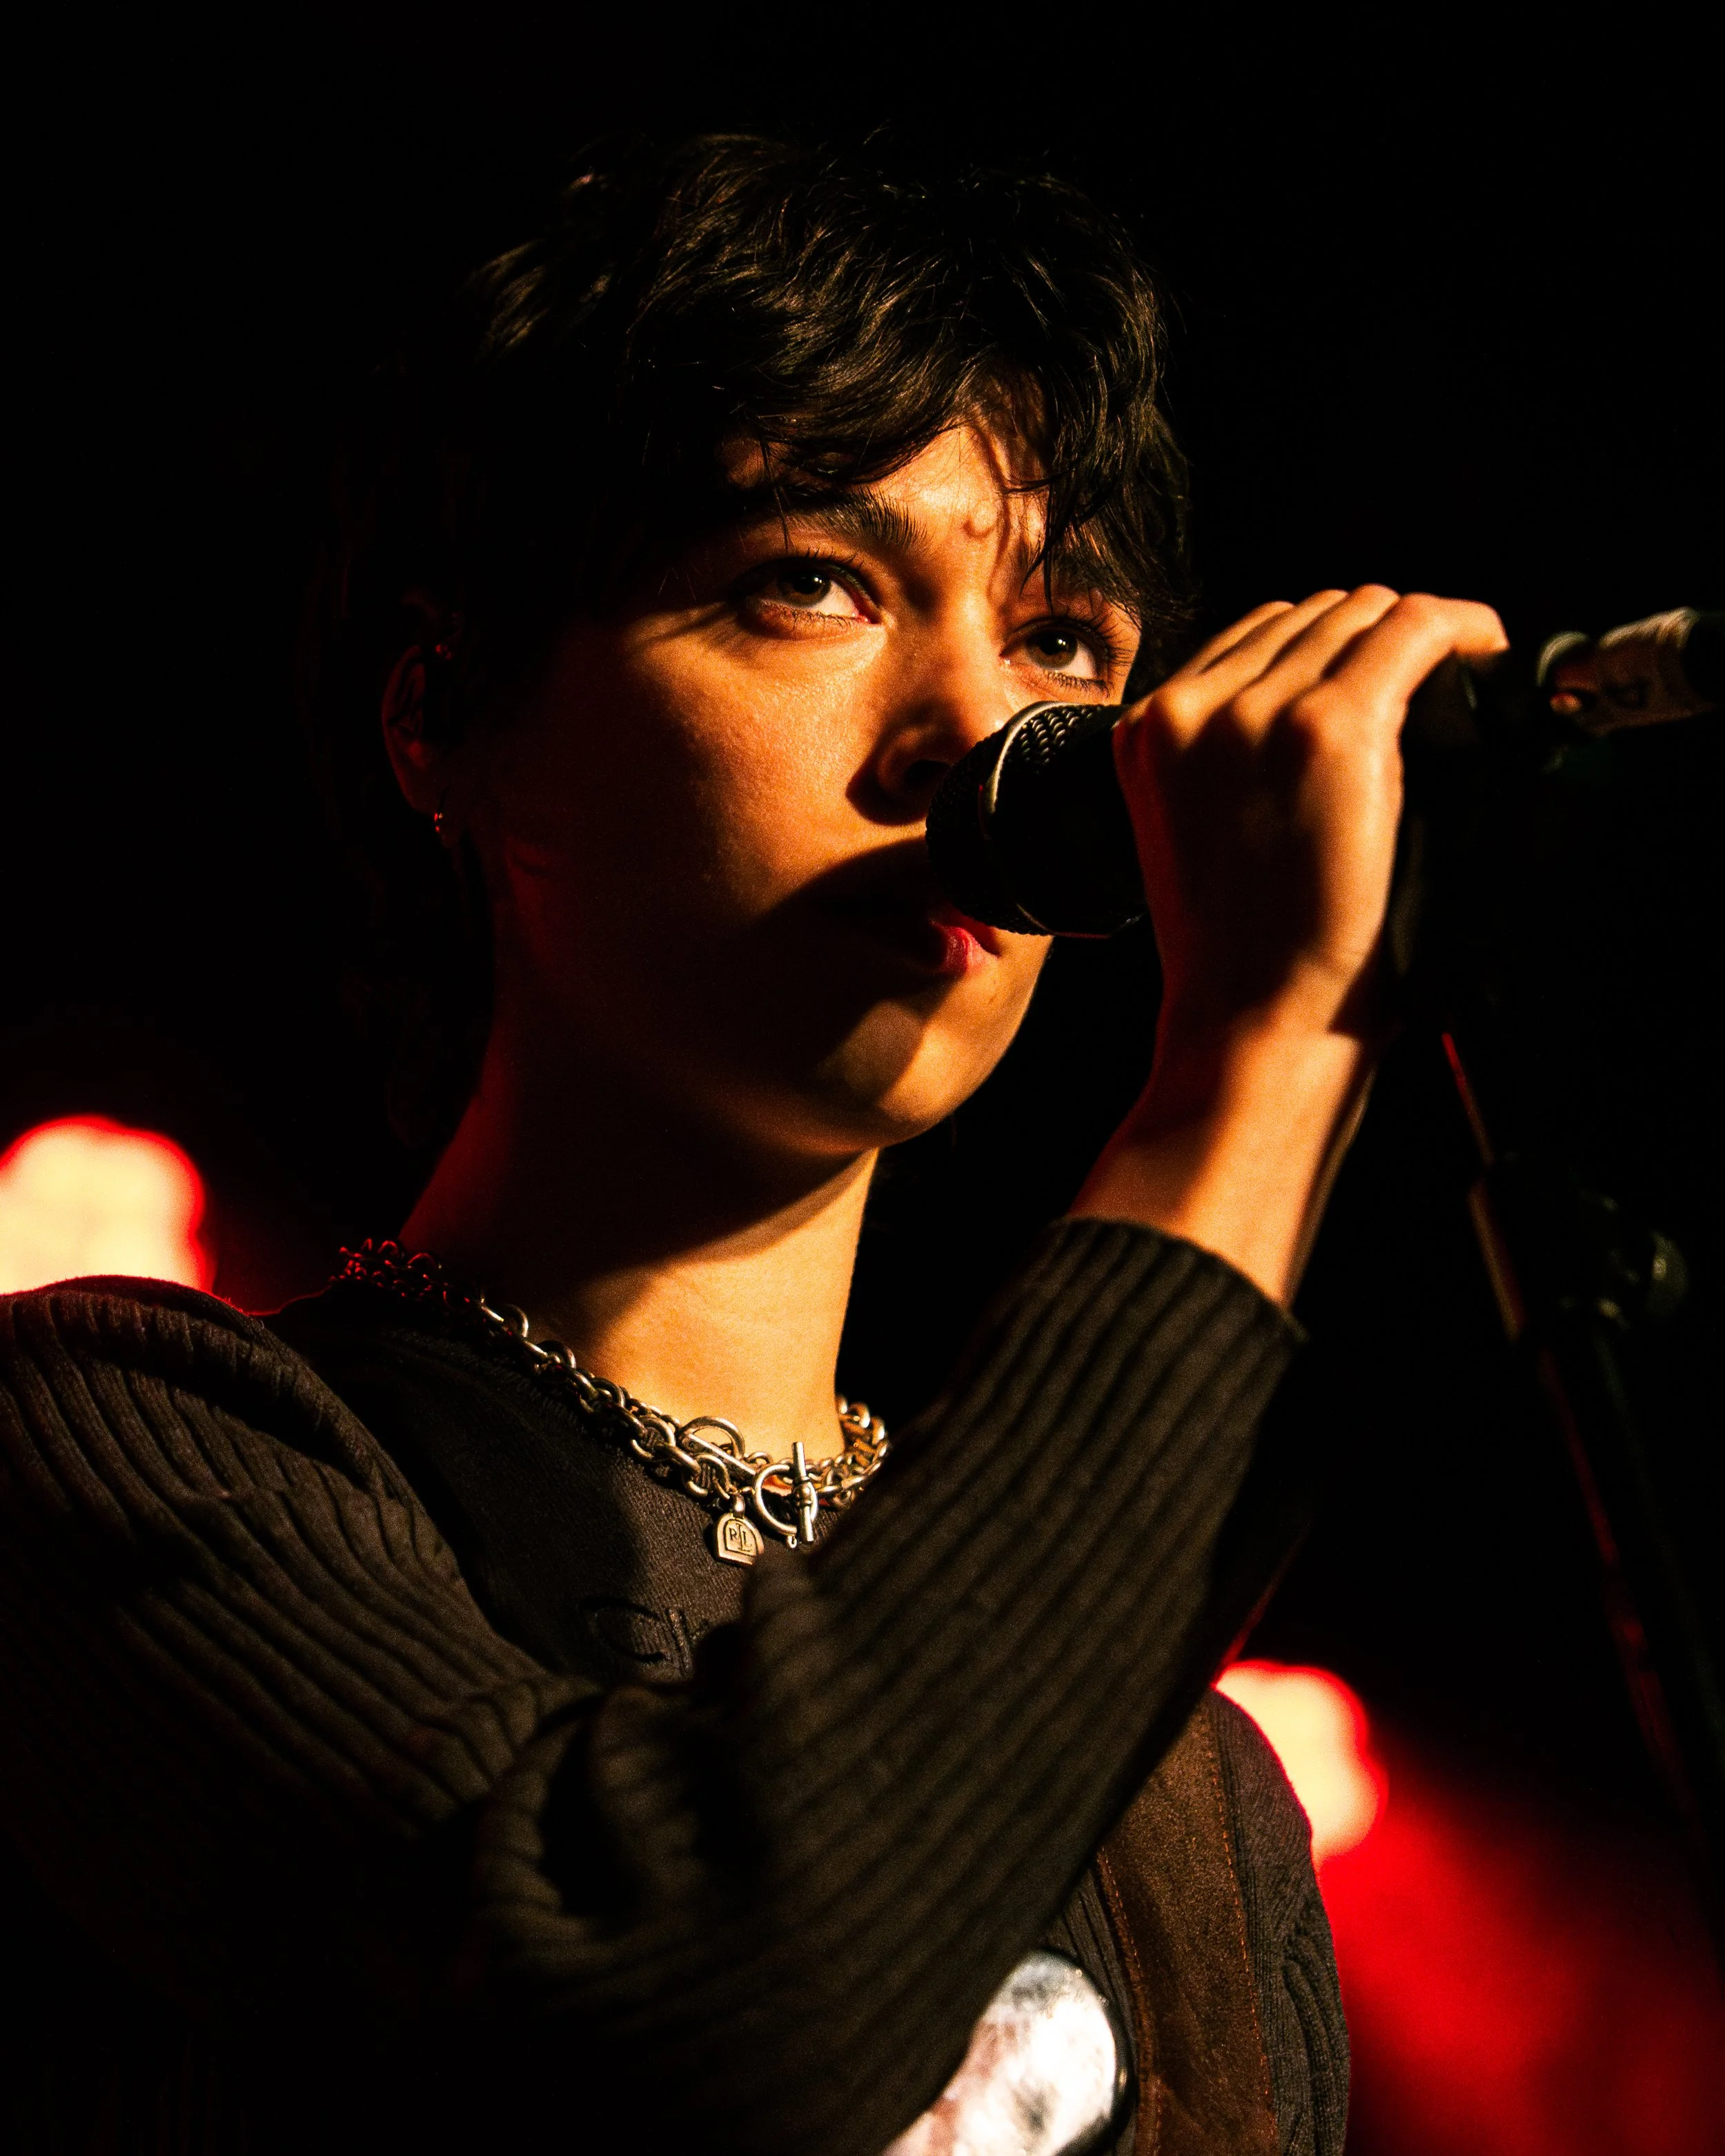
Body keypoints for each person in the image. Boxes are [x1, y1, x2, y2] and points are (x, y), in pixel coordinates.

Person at [0, 135, 1505, 2156]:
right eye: (813, 583)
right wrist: (1245, 1073)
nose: (978, 729)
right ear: (444, 715)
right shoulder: (115, 1450)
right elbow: (676, 2009)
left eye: (1060, 636)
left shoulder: (1186, 1785)